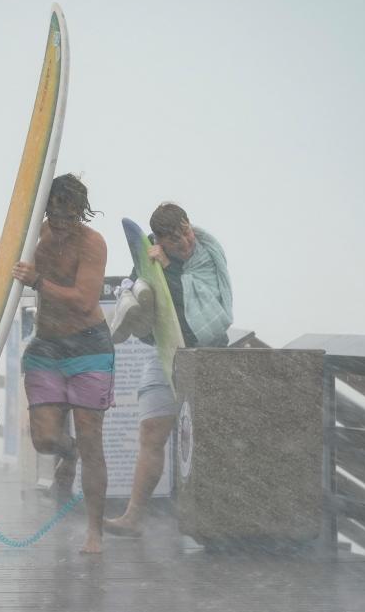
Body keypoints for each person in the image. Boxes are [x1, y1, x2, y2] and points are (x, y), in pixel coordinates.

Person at [104, 203, 233, 537]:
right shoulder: (148, 256)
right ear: (160, 240)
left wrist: (172, 269)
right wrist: (154, 273)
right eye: (175, 241)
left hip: (207, 354)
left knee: (209, 438)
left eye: (186, 232)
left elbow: (206, 306)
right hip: (164, 352)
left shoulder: (207, 255)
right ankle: (133, 517)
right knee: (151, 433)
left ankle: (217, 517)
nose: (185, 243)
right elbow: (151, 300)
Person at [11, 173, 113, 554]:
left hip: (89, 346)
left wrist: (37, 281)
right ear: (47, 209)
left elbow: (86, 300)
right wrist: (4, 255)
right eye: (55, 214)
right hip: (48, 346)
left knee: (92, 442)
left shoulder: (92, 243)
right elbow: (10, 259)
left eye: (70, 217)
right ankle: (65, 453)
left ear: (81, 213)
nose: (62, 224)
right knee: (44, 439)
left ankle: (94, 533)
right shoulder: (36, 234)